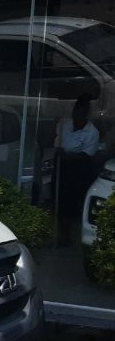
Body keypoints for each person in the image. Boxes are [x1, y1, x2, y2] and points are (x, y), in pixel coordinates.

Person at [54, 94, 100, 244]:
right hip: (62, 166)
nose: (77, 115)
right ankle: (60, 234)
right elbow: (57, 144)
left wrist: (68, 156)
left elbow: (86, 155)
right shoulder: (65, 124)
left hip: (78, 170)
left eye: (81, 112)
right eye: (76, 111)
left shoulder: (92, 132)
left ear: (86, 114)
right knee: (58, 200)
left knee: (72, 203)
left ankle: (67, 235)